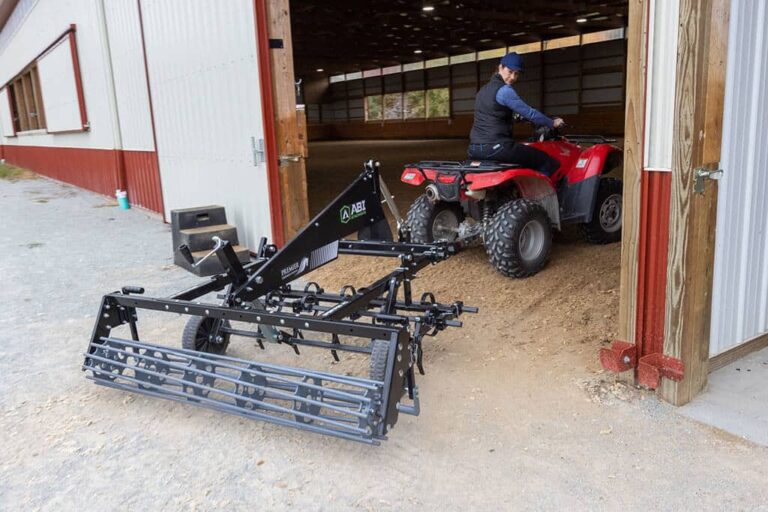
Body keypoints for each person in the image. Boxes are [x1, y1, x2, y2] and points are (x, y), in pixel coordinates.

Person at [468, 52, 564, 175]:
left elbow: (493, 114)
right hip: (497, 147)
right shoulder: (505, 90)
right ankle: (542, 193)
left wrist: (517, 118)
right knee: (546, 160)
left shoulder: (482, 91)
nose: (513, 77)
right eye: (510, 71)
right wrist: (552, 123)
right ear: (500, 67)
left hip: (474, 149)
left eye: (516, 73)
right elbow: (531, 113)